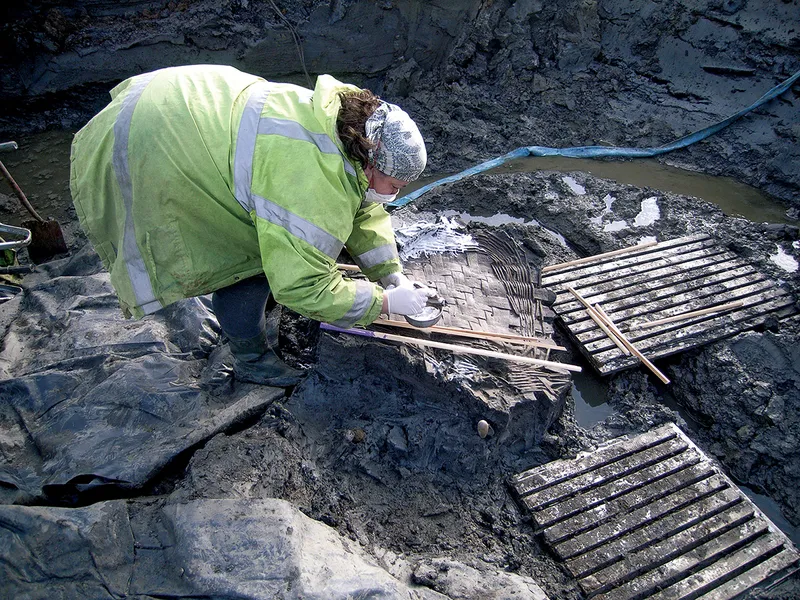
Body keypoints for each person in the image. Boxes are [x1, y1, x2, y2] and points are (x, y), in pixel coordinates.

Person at [70, 64, 434, 387]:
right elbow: (303, 286)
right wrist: (383, 302)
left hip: (182, 105)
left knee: (274, 245)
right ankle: (251, 360)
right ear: (371, 161)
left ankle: (251, 332)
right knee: (250, 261)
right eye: (395, 185)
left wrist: (391, 274)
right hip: (155, 143)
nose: (395, 194)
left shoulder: (343, 128)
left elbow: (361, 207)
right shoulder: (309, 179)